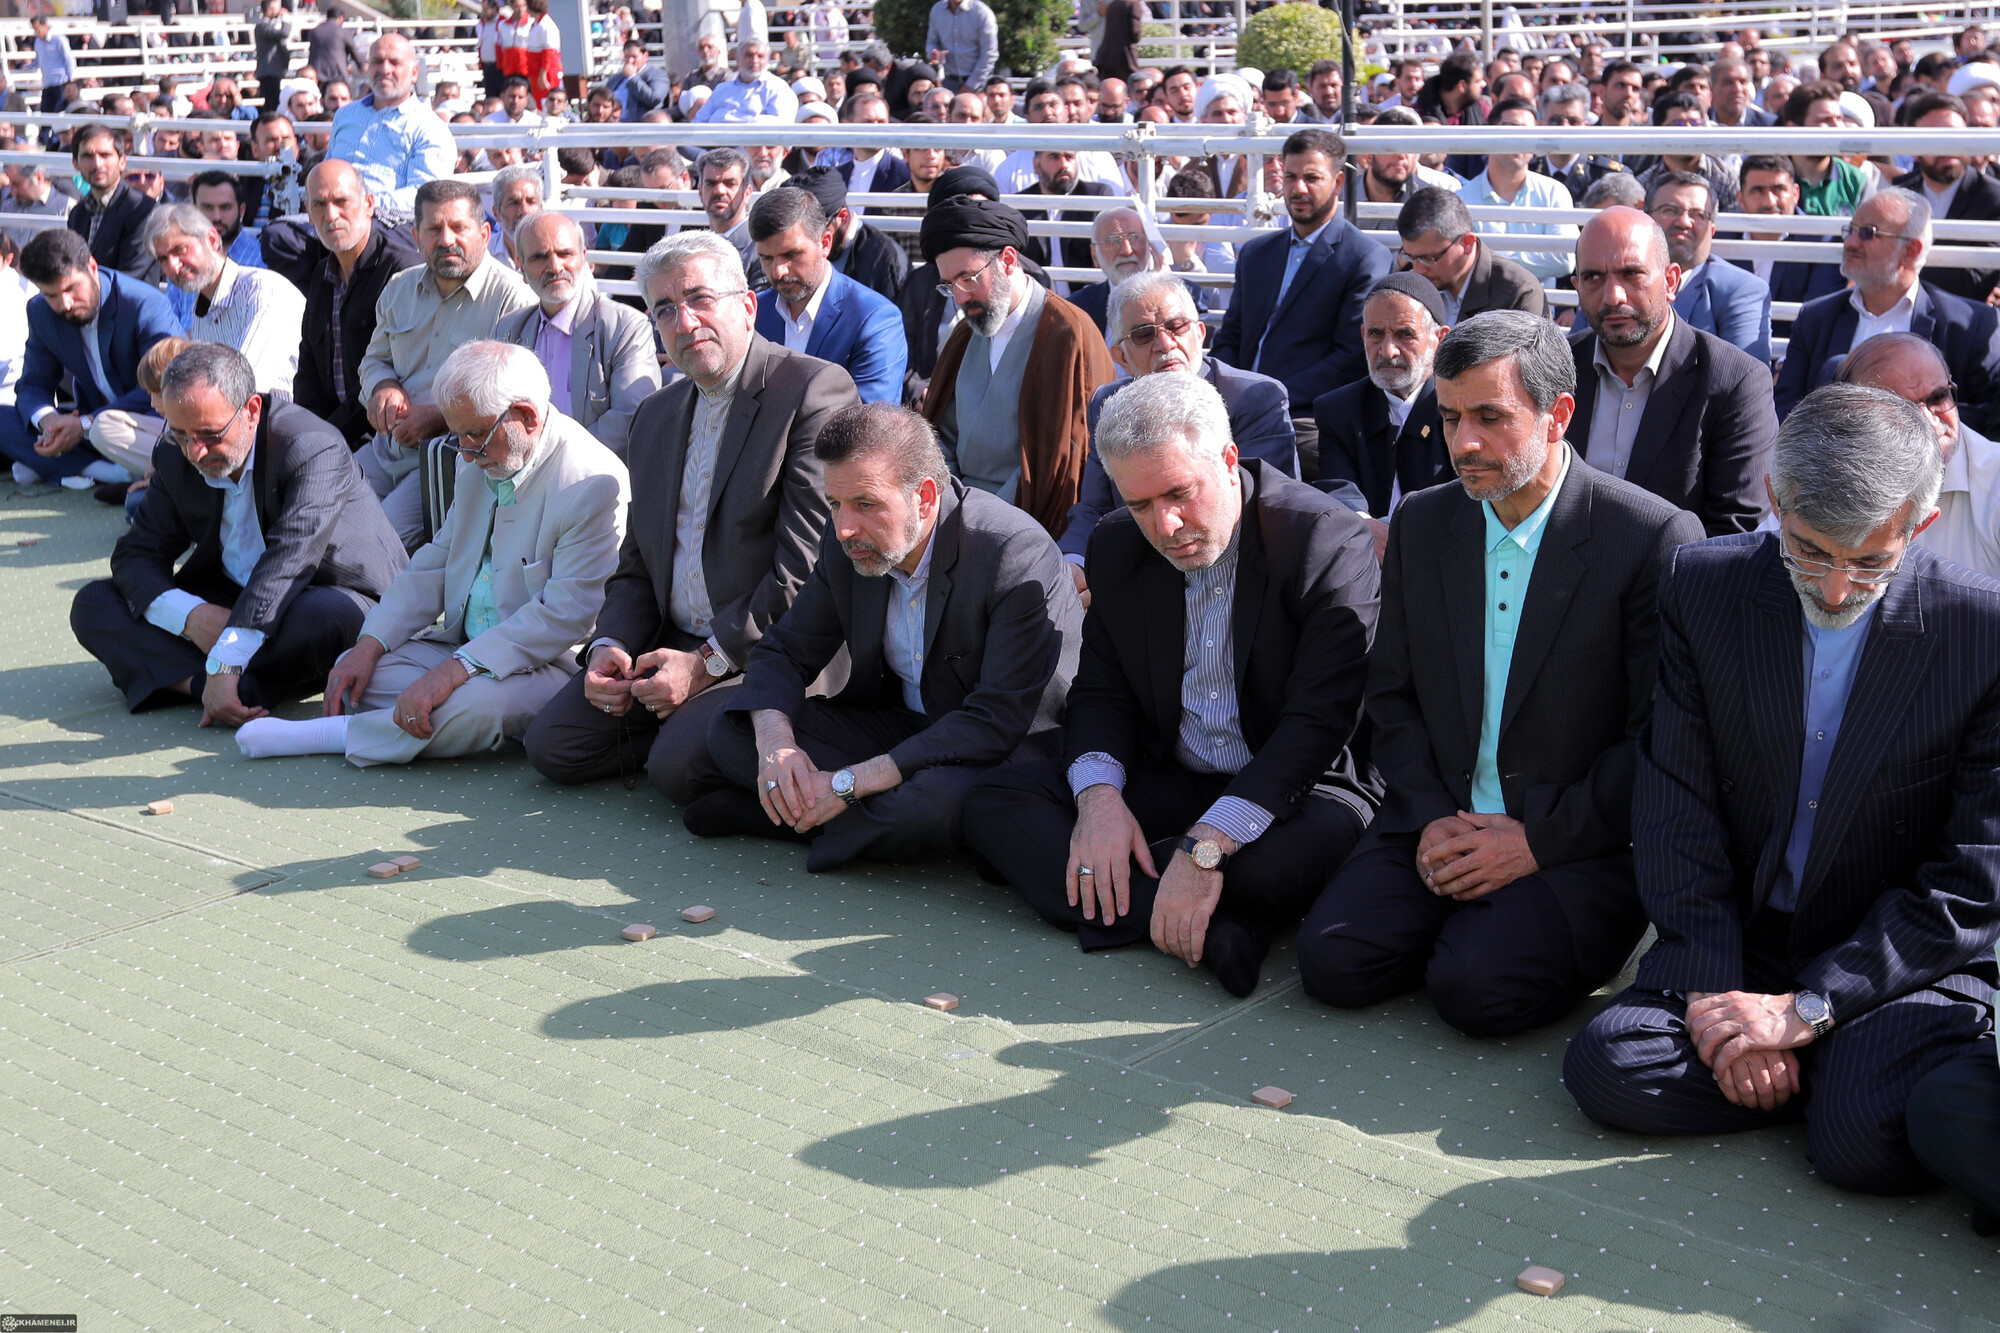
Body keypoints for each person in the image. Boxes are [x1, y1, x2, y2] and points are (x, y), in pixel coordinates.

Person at [1564, 383, 2000, 1196]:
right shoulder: (1704, 585)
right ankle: (1823, 1076)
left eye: (1868, 560)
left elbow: (1971, 882)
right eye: (1808, 549)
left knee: (1859, 1147)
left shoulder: (1982, 631)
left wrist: (1808, 1009)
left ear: (1920, 525)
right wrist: (1716, 995)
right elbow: (1676, 803)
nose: (1834, 588)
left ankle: (1829, 1073)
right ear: (1774, 498)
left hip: (1892, 954)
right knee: (1608, 1062)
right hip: (1750, 938)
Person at [1299, 310, 1705, 1034]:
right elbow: (1391, 695)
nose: (1464, 442)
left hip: (1576, 845)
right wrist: (1432, 817)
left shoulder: (1650, 536)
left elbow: (1658, 739)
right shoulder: (1423, 521)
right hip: (1437, 817)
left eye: (1490, 417)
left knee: (1475, 991)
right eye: (1451, 417)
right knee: (1332, 961)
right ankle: (1467, 917)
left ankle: (1491, 931)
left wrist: (1534, 843)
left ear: (1559, 415)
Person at [961, 372, 1381, 997]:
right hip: (1177, 771)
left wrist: (1205, 847)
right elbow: (1101, 692)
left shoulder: (1322, 536)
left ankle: (1134, 890)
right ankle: (1217, 928)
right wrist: (1099, 805)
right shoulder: (1117, 543)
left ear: (1229, 459)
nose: (1166, 524)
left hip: (1300, 786)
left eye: (1180, 493)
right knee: (994, 803)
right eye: (1140, 505)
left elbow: (1318, 725)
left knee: (1278, 867)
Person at [522, 230, 859, 799]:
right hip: (671, 641)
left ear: (747, 306)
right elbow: (636, 563)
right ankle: (691, 726)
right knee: (554, 743)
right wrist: (609, 646)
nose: (685, 321)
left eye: (700, 299)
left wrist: (705, 663)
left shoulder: (812, 391)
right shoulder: (655, 414)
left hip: (773, 648)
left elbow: (804, 572)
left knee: (675, 768)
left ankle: (707, 731)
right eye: (665, 309)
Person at [683, 399, 1081, 867]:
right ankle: (844, 822)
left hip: (999, 749)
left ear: (925, 497)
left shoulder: (1011, 551)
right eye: (835, 504)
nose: (844, 528)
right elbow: (785, 651)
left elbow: (994, 721)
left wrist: (848, 784)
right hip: (901, 727)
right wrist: (776, 745)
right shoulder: (850, 541)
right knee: (734, 728)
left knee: (935, 804)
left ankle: (777, 819)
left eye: (866, 504)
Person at [236, 341, 629, 767]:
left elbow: (563, 617)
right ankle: (421, 722)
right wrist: (371, 642)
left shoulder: (590, 482)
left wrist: (453, 672)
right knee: (359, 670)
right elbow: (437, 560)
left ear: (526, 417)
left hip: (551, 662)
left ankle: (334, 735)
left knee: (481, 706)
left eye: (475, 435)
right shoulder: (478, 454)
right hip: (462, 645)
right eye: (457, 435)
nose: (464, 452)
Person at [69, 343, 406, 723]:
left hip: (323, 594)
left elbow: (289, 563)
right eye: (180, 435)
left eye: (209, 434)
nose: (195, 452)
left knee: (328, 614)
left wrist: (226, 657)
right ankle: (210, 687)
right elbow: (137, 554)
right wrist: (193, 617)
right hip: (233, 596)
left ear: (252, 411)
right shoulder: (174, 453)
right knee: (94, 604)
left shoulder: (312, 446)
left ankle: (213, 674)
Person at [1060, 270, 1295, 593]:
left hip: (1234, 574)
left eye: (1176, 326)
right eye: (1143, 334)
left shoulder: (1255, 398)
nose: (1165, 344)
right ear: (1121, 357)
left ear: (1200, 333)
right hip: (1136, 567)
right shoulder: (1108, 403)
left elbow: (1262, 512)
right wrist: (1074, 563)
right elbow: (1094, 506)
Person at [1568, 208, 1776, 537]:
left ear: (1670, 281)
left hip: (1677, 570)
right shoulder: (1555, 366)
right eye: (1594, 277)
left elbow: (1733, 530)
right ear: (1577, 287)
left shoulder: (1736, 381)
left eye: (1631, 273)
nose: (1613, 296)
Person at [917, 194, 1115, 537]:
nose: (960, 297)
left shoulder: (1067, 333)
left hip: (1024, 526)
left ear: (1008, 260)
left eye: (967, 278)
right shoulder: (965, 333)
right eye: (949, 286)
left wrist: (981, 519)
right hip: (951, 512)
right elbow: (940, 437)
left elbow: (1061, 464)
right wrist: (950, 507)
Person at [358, 178, 536, 551]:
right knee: (322, 506)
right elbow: (375, 359)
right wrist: (382, 388)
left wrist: (440, 417)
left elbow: (513, 400)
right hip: (386, 448)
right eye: (434, 229)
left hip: (454, 457)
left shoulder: (513, 299)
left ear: (484, 234)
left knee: (376, 541)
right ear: (415, 236)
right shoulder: (399, 288)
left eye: (458, 227)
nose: (446, 239)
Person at [1213, 129, 1391, 438]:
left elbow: (1350, 358)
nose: (1298, 188)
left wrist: (1268, 398)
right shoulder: (1256, 253)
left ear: (1338, 182)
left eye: (1312, 178)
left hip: (1307, 417)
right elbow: (1230, 337)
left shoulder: (1365, 257)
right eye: (1291, 177)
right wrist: (1227, 394)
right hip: (1238, 409)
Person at [1776, 188, 2000, 425]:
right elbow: (1787, 410)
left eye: (1867, 233)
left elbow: (1985, 418)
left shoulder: (1969, 326)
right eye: (1850, 230)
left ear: (1911, 251)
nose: (1850, 242)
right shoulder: (1816, 318)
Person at [7, 228, 180, 487]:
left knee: (103, 429)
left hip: (142, 423)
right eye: (51, 295)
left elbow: (164, 386)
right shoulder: (40, 311)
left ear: (92, 266)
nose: (65, 304)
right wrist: (49, 423)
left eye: (71, 288)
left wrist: (84, 425)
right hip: (87, 425)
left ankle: (63, 465)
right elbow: (33, 384)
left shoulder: (145, 304)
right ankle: (107, 471)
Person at [496, 212, 660, 459]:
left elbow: (630, 418)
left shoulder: (626, 327)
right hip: (523, 470)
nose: (555, 267)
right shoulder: (509, 329)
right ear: (522, 267)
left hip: (594, 473)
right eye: (540, 257)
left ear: (584, 258)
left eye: (565, 254)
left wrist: (553, 461)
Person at [1837, 332, 2000, 580]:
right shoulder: (1823, 473)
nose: (1929, 421)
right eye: (1904, 409)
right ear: (1852, 417)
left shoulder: (1995, 481)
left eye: (1938, 397)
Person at [294, 160, 420, 452]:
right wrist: (307, 432)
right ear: (308, 212)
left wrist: (325, 435)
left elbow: (398, 371)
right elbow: (308, 367)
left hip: (388, 443)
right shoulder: (322, 275)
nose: (331, 215)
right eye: (319, 205)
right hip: (331, 440)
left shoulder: (402, 272)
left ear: (369, 204)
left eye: (341, 201)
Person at [1312, 273, 1451, 534]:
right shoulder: (1337, 409)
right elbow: (1339, 492)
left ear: (1439, 339)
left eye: (1405, 334)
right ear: (1363, 334)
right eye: (1376, 334)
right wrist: (1368, 531)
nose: (1388, 351)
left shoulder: (1462, 408)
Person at [749, 185, 906, 407]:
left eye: (791, 255)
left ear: (825, 243)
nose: (778, 271)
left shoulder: (875, 319)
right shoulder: (753, 313)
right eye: (766, 258)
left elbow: (871, 421)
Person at [144, 204, 305, 396]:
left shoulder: (263, 291)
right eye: (163, 259)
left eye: (180, 250)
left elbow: (245, 386)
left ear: (212, 240)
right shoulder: (201, 312)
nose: (173, 267)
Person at [324, 33, 458, 226]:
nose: (384, 69)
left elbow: (425, 196)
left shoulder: (430, 128)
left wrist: (360, 207)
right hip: (331, 218)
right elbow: (327, 169)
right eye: (377, 62)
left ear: (414, 73)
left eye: (394, 63)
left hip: (387, 224)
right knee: (281, 233)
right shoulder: (345, 115)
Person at [1650, 172, 1774, 365]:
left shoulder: (1742, 290)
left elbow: (1745, 375)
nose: (1684, 222)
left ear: (1712, 229)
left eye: (1698, 214)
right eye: (1670, 210)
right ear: (1646, 218)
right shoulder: (1615, 279)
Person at [1891, 92, 2000, 305]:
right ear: (1913, 149)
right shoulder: (1897, 196)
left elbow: (1975, 282)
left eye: (1955, 135)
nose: (1948, 147)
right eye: (1935, 137)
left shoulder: (1994, 199)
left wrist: (1899, 271)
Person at [1455, 98, 1578, 285]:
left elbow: (1564, 260)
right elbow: (1463, 263)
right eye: (1511, 128)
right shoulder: (1463, 199)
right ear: (1490, 134)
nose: (1520, 138)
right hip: (1483, 303)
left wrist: (1488, 259)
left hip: (1541, 303)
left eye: (1528, 132)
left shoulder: (1554, 192)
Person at [1395, 188, 1546, 324]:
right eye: (1410, 257)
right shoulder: (1407, 286)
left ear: (1467, 243)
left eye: (1429, 258)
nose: (1418, 270)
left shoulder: (1518, 292)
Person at [67, 125, 157, 281]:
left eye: (105, 155)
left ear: (122, 161)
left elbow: (130, 277)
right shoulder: (78, 213)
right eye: (88, 156)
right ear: (76, 163)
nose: (97, 164)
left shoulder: (144, 211)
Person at [1017, 150, 1115, 289]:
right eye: (1054, 157)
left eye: (1069, 157)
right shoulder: (1021, 204)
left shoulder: (1096, 197)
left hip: (1086, 297)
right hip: (1039, 297)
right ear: (1036, 165)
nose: (1063, 164)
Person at [695, 147, 768, 293]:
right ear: (700, 191)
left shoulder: (762, 249)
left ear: (747, 193)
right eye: (711, 183)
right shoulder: (692, 247)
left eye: (730, 183)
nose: (719, 191)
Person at [695, 39, 798, 124]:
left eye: (760, 56)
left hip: (753, 142)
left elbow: (781, 126)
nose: (755, 60)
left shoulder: (777, 89)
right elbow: (699, 121)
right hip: (713, 141)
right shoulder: (721, 89)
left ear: (767, 61)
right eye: (749, 55)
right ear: (738, 59)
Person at [926, 0, 997, 93]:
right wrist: (933, 53)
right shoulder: (937, 10)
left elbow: (990, 54)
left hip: (979, 84)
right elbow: (931, 42)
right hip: (948, 82)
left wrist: (970, 85)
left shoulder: (982, 13)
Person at [306, 9, 366, 89]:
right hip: (337, 74)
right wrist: (362, 65)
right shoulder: (343, 32)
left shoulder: (315, 31)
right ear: (340, 18)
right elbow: (353, 51)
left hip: (317, 74)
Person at [31, 16, 75, 116]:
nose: (36, 32)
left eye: (38, 29)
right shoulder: (38, 41)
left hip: (61, 83)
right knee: (45, 115)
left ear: (45, 25)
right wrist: (27, 67)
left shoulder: (59, 39)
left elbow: (69, 59)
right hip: (47, 83)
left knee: (60, 114)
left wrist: (71, 80)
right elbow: (38, 60)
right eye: (34, 29)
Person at [252, 0, 292, 111]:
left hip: (273, 71)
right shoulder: (262, 26)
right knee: (272, 103)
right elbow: (284, 33)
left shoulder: (268, 26)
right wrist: (286, 20)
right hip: (268, 71)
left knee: (273, 102)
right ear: (269, 10)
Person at [1095, 0, 1142, 86]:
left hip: (1105, 56)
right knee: (1133, 86)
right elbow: (1135, 33)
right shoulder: (1133, 5)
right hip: (1125, 57)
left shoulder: (1112, 5)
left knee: (1106, 87)